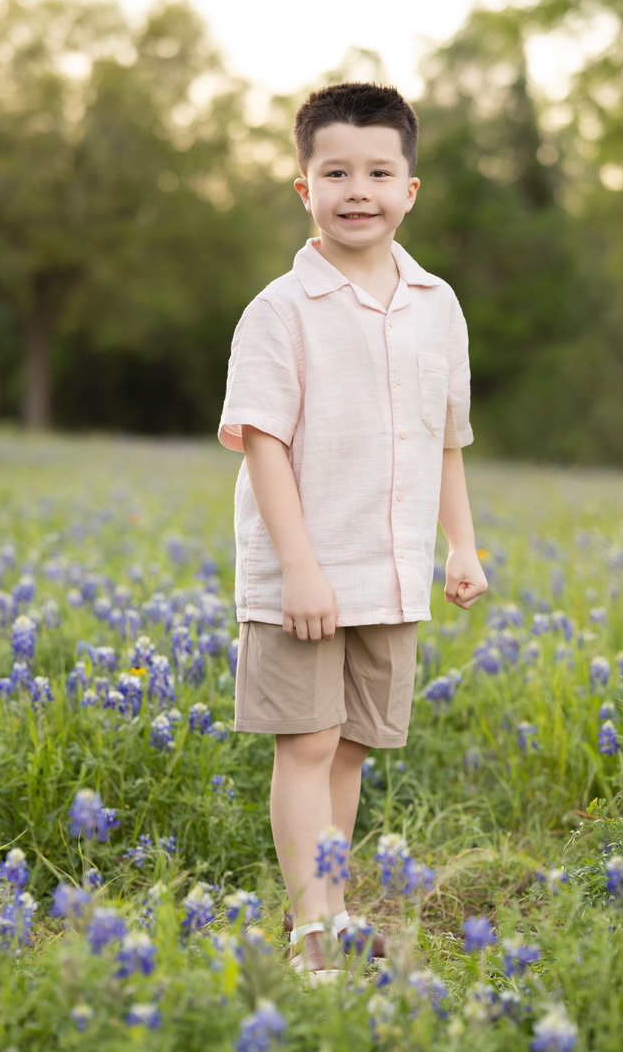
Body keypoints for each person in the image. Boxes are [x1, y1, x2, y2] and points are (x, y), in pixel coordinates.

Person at [218, 82, 487, 980]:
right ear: (304, 188)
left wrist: (462, 543)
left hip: (393, 571)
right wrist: (299, 568)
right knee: (304, 741)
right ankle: (310, 928)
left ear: (412, 188)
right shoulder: (279, 311)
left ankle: (335, 907)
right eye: (336, 171)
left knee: (352, 748)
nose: (358, 189)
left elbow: (443, 438)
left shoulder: (437, 304)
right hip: (306, 568)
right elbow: (261, 441)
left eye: (379, 170)